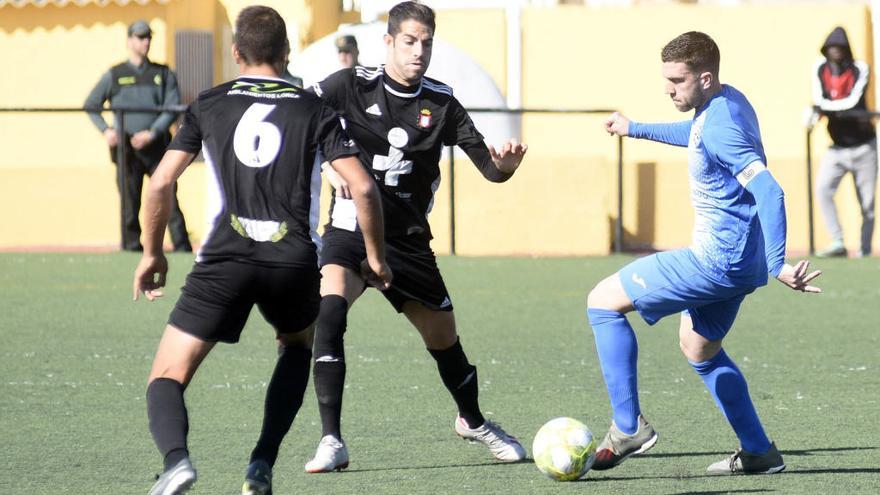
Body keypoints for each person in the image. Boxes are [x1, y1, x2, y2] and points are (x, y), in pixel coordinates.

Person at [254, 0, 528, 474]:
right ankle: (331, 440)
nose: (418, 50)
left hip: (409, 242)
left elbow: (489, 167)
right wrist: (328, 161)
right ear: (388, 42)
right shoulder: (348, 85)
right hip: (349, 230)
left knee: (444, 340)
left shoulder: (441, 103)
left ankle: (472, 419)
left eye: (426, 42)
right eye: (409, 41)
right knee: (329, 313)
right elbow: (298, 116)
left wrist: (504, 167)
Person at [133, 6, 391, 495]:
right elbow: (364, 189)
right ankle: (261, 463)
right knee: (297, 346)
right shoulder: (314, 108)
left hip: (224, 260)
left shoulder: (208, 104)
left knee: (167, 374)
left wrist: (153, 253)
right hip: (292, 261)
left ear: (235, 53)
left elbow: (160, 181)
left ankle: (177, 463)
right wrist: (375, 258)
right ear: (286, 52)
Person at [595, 31, 822, 475]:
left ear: (704, 77)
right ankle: (759, 452)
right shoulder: (727, 101)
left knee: (602, 303)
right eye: (665, 79)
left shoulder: (720, 124)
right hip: (742, 264)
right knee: (698, 348)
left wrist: (780, 264)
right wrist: (634, 127)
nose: (668, 89)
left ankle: (628, 428)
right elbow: (697, 135)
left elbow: (770, 192)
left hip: (715, 262)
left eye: (676, 81)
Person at [85, 20, 192, 252]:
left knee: (168, 198)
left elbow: (172, 108)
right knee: (129, 203)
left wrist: (152, 133)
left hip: (158, 150)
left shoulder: (163, 74)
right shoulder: (115, 74)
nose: (146, 42)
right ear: (129, 40)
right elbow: (91, 104)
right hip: (127, 150)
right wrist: (107, 130)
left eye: (148, 37)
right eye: (141, 37)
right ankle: (131, 248)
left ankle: (182, 248)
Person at [813, 26, 877, 258]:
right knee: (822, 189)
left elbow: (853, 101)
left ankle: (864, 250)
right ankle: (838, 240)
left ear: (847, 48)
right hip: (837, 147)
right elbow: (818, 98)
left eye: (840, 47)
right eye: (832, 48)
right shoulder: (820, 69)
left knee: (867, 204)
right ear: (826, 50)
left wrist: (825, 108)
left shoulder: (860, 68)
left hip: (864, 147)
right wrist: (816, 111)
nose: (836, 52)